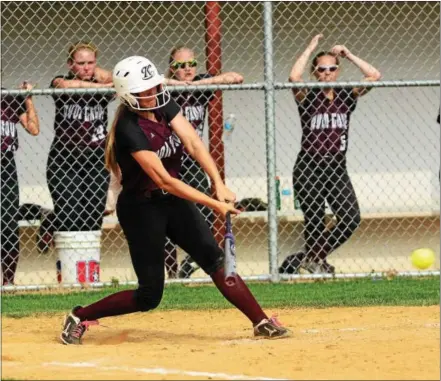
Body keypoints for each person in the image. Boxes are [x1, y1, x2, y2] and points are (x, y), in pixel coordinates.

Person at [60, 56, 288, 344]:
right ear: (129, 95)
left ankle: (261, 321)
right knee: (149, 295)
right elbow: (164, 180)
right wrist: (213, 203)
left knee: (215, 260)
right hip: (141, 209)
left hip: (172, 202)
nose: (154, 92)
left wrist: (218, 183)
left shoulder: (163, 105)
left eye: (155, 85)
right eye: (146, 89)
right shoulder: (129, 129)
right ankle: (80, 315)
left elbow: (193, 142)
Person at [279, 34, 381, 275]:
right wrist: (310, 47)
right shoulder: (308, 95)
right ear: (315, 72)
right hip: (309, 166)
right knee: (314, 219)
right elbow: (294, 77)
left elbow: (374, 76)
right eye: (321, 69)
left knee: (350, 218)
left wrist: (347, 54)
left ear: (337, 71)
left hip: (336, 167)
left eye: (332, 68)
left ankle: (309, 258)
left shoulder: (346, 95)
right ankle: (314, 263)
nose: (326, 73)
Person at [165, 45, 244, 279]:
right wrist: (179, 85)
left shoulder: (203, 84)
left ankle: (191, 262)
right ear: (172, 68)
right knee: (165, 217)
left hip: (193, 160)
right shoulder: (165, 90)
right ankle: (171, 272)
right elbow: (158, 81)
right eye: (180, 66)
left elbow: (235, 77)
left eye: (192, 64)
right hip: (169, 159)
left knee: (207, 212)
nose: (188, 69)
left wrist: (195, 85)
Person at [37, 41, 114, 251]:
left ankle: (87, 270)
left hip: (96, 158)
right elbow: (64, 86)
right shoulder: (61, 80)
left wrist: (102, 77)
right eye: (81, 63)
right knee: (70, 214)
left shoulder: (102, 81)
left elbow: (118, 82)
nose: (86, 67)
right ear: (71, 64)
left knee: (93, 214)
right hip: (64, 159)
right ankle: (68, 261)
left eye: (91, 63)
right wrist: (101, 86)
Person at [1, 82, 40, 285]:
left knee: (8, 223)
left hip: (5, 165)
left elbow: (34, 129)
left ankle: (8, 281)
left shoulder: (8, 97)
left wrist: (28, 100)